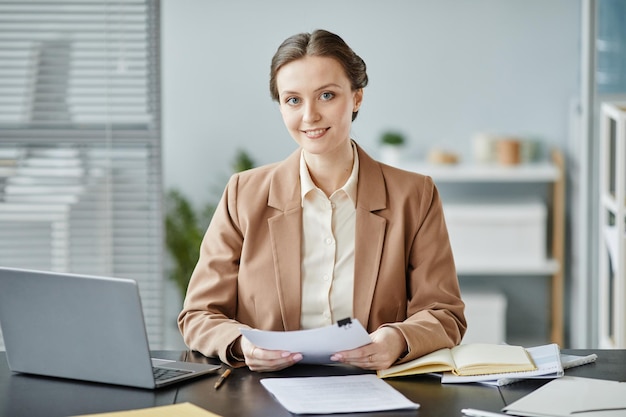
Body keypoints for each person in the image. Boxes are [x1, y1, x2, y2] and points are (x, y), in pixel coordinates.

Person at [178, 29, 466, 372]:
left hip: (375, 387)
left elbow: (444, 313)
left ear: (356, 98)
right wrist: (242, 343)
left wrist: (398, 339)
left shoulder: (414, 196)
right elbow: (198, 314)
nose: (309, 116)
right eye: (293, 100)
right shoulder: (243, 193)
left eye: (326, 95)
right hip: (264, 392)